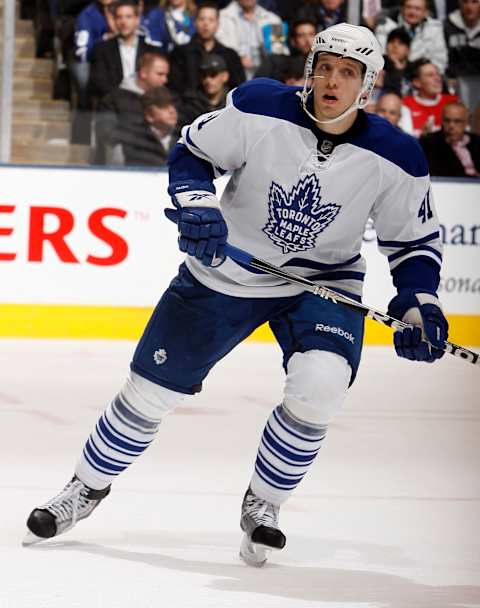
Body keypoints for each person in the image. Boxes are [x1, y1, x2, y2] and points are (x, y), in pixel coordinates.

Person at [24, 23, 448, 568]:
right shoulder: (258, 106)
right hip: (228, 270)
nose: (332, 80)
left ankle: (264, 505)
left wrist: (421, 302)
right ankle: (85, 487)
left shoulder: (397, 155)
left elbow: (412, 242)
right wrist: (199, 204)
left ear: (368, 85)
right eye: (325, 66)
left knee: (321, 385)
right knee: (149, 392)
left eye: (348, 72)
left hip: (322, 284)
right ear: (309, 67)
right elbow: (193, 153)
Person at [94, 52, 171, 163]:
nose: (165, 80)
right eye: (160, 74)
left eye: (166, 75)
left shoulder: (168, 99)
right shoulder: (113, 100)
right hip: (126, 165)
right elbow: (106, 132)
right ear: (143, 73)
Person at [168, 2, 246, 96]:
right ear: (195, 22)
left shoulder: (230, 55)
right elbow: (174, 88)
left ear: (218, 24)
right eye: (202, 19)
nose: (206, 24)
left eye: (211, 20)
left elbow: (239, 89)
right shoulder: (180, 53)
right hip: (189, 107)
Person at [89, 0, 162, 99]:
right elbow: (99, 82)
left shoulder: (152, 51)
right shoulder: (101, 49)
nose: (124, 22)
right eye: (119, 17)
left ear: (137, 20)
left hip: (146, 101)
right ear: (114, 21)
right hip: (115, 103)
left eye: (128, 17)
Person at [216, 0, 287, 79]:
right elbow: (221, 47)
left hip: (266, 76)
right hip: (233, 75)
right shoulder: (221, 17)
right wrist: (239, 59)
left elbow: (279, 52)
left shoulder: (273, 19)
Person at [375, 0, 448, 74]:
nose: (412, 12)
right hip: (390, 72)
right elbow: (380, 56)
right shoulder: (386, 25)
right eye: (409, 7)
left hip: (421, 77)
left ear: (426, 12)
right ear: (402, 8)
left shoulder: (435, 28)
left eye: (417, 9)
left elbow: (440, 62)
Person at [121, 86, 180, 165]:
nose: (172, 111)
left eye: (172, 105)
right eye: (164, 106)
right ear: (149, 115)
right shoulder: (134, 140)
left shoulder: (184, 136)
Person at [419, 100, 480, 176]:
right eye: (447, 120)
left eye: (457, 121)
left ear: (466, 122)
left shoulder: (477, 142)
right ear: (442, 121)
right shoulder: (429, 143)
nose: (451, 126)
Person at [402, 58, 458, 137]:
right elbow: (406, 138)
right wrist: (422, 135)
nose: (438, 78)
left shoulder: (453, 101)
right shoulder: (406, 103)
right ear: (417, 82)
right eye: (430, 75)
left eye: (438, 74)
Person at [444, 0, 480, 112]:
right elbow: (442, 58)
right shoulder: (446, 25)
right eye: (465, 1)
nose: (469, 7)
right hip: (454, 81)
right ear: (459, 3)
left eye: (474, 2)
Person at [179, 54, 230, 127]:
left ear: (225, 76)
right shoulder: (189, 103)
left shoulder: (233, 102)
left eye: (213, 74)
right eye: (204, 75)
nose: (208, 80)